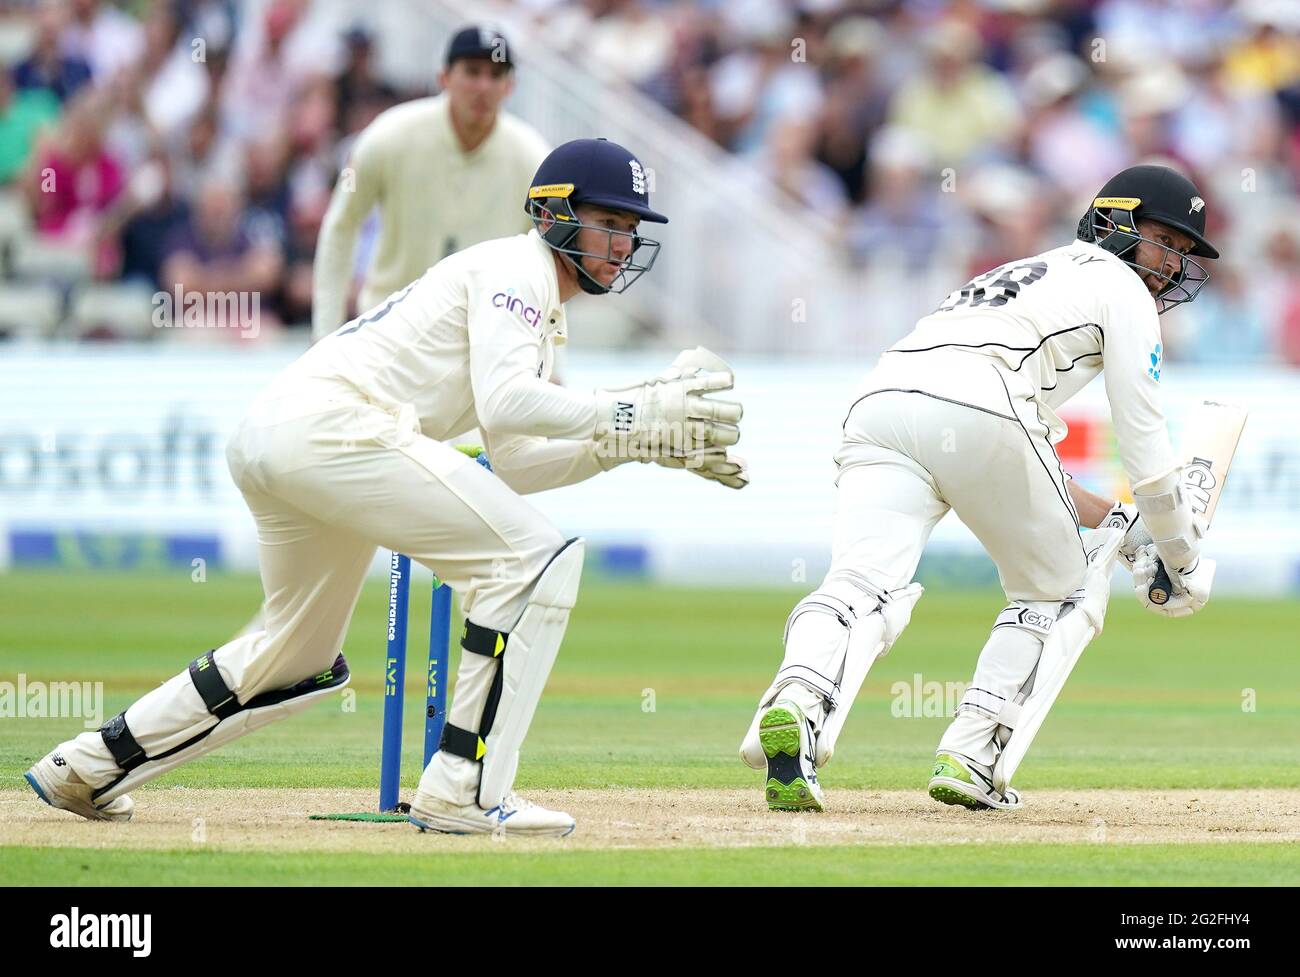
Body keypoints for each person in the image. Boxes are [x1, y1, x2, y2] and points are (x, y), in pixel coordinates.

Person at [25, 138, 747, 838]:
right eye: (610, 224)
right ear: (555, 213)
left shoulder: (534, 305)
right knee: (534, 558)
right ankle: (464, 786)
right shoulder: (517, 270)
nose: (622, 245)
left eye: (630, 231)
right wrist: (633, 407)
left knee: (296, 654)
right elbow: (505, 403)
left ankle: (84, 767)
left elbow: (518, 459)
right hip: (336, 428)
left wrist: (633, 444)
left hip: (283, 433)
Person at [739, 163, 1220, 812]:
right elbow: (1145, 450)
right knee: (1065, 586)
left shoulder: (1028, 273)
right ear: (1118, 222)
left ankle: (796, 703)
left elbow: (1019, 456)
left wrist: (1131, 529)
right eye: (1165, 241)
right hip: (982, 408)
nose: (1170, 265)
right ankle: (973, 755)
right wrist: (1182, 553)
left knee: (860, 583)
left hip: (882, 401)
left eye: (1184, 253)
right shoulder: (1123, 292)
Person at [311, 26, 548, 340]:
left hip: (483, 341)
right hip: (389, 331)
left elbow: (546, 259)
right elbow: (341, 224)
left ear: (510, 86)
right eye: (472, 72)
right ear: (444, 78)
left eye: (495, 75)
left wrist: (550, 358)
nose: (483, 86)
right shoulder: (385, 138)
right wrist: (325, 331)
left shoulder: (533, 159)